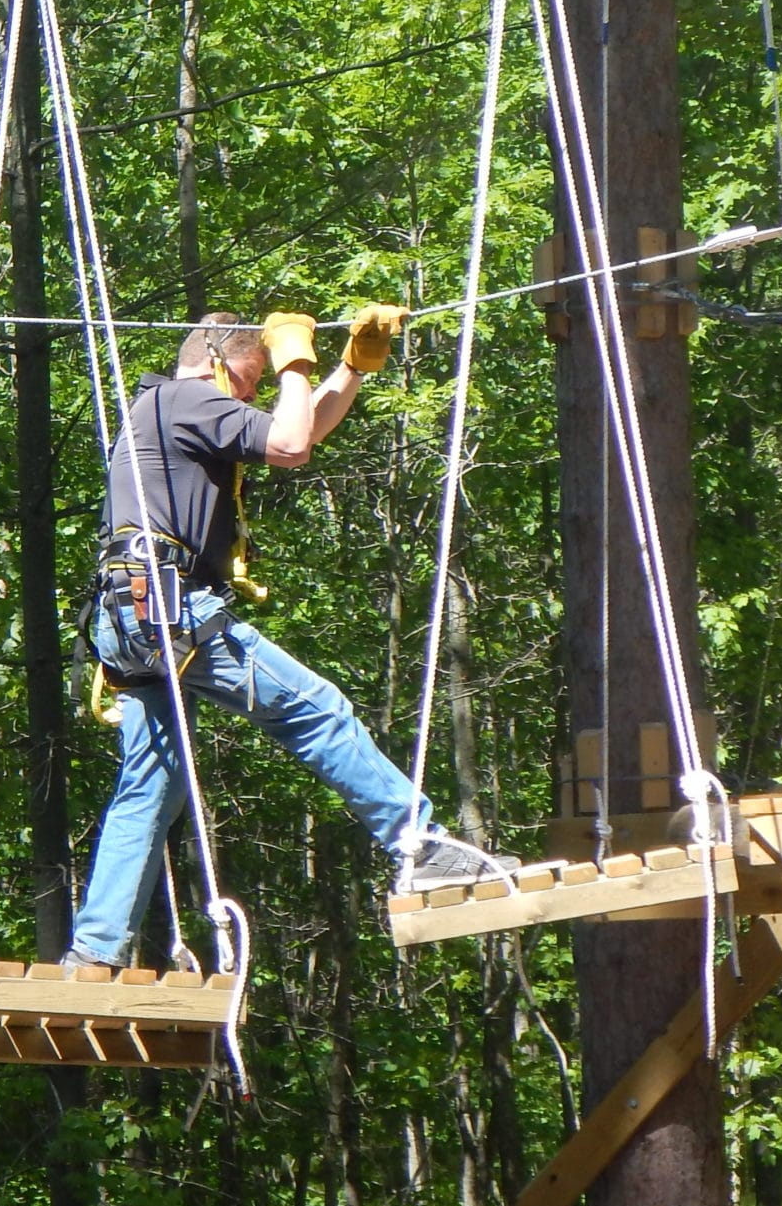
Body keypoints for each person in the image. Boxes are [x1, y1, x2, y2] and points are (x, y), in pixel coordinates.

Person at [64, 308, 515, 972]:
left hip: (130, 615)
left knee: (150, 783)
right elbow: (290, 444)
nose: (248, 397)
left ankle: (94, 952)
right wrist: (294, 360)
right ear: (216, 356)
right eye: (247, 382)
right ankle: (418, 847)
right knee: (318, 709)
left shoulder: (158, 406)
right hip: (169, 608)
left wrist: (351, 370)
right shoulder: (190, 397)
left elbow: (297, 431)